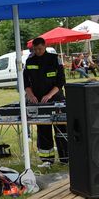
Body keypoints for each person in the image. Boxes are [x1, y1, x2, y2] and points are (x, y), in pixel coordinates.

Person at [24, 37, 68, 167]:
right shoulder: (29, 61)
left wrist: (49, 95)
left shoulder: (54, 59)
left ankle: (65, 158)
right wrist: (30, 95)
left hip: (56, 99)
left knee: (61, 130)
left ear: (45, 46)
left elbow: (61, 82)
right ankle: (47, 160)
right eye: (35, 49)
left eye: (40, 49)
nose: (37, 51)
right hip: (38, 101)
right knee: (43, 130)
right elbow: (26, 82)